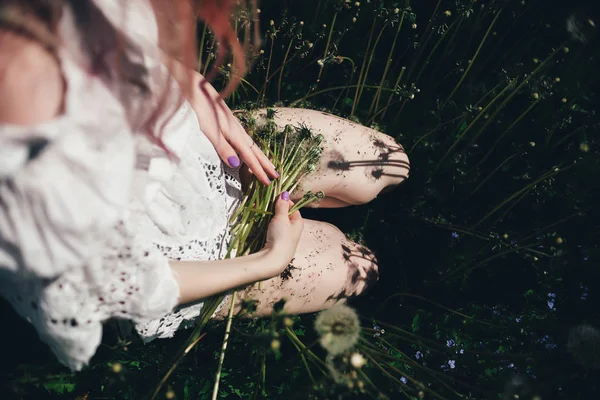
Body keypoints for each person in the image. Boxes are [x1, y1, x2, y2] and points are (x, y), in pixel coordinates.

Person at [0, 0, 410, 371]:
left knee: (391, 165)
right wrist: (268, 261)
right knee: (360, 267)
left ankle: (313, 207)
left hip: (196, 149)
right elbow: (111, 285)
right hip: (180, 253)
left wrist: (184, 80)